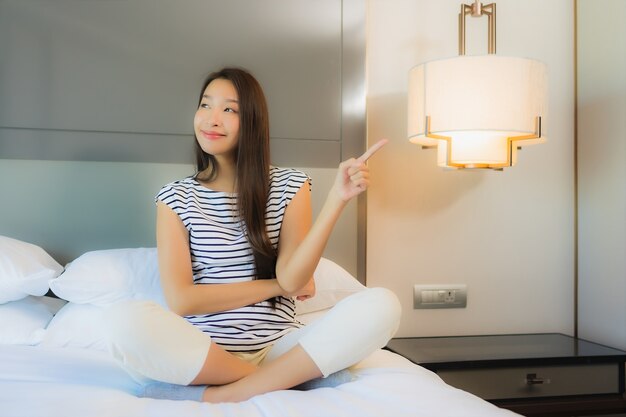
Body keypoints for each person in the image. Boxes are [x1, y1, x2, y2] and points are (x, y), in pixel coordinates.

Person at [104, 67, 401, 403]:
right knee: (123, 320)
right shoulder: (175, 198)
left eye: (229, 109)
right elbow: (182, 300)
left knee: (383, 304)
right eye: (205, 105)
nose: (212, 119)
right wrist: (278, 286)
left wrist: (337, 199)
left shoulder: (291, 185)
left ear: (253, 122)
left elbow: (293, 275)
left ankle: (219, 396)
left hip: (280, 347)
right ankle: (286, 381)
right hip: (207, 354)